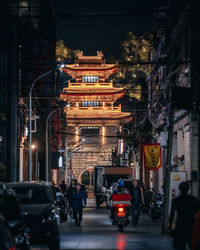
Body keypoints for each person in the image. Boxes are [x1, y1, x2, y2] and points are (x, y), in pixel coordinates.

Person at [169, 182, 199, 250]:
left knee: (180, 246)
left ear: (179, 189)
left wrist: (170, 227)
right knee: (193, 245)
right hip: (191, 225)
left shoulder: (176, 200)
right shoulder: (193, 200)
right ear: (188, 189)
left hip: (180, 226)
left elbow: (172, 215)